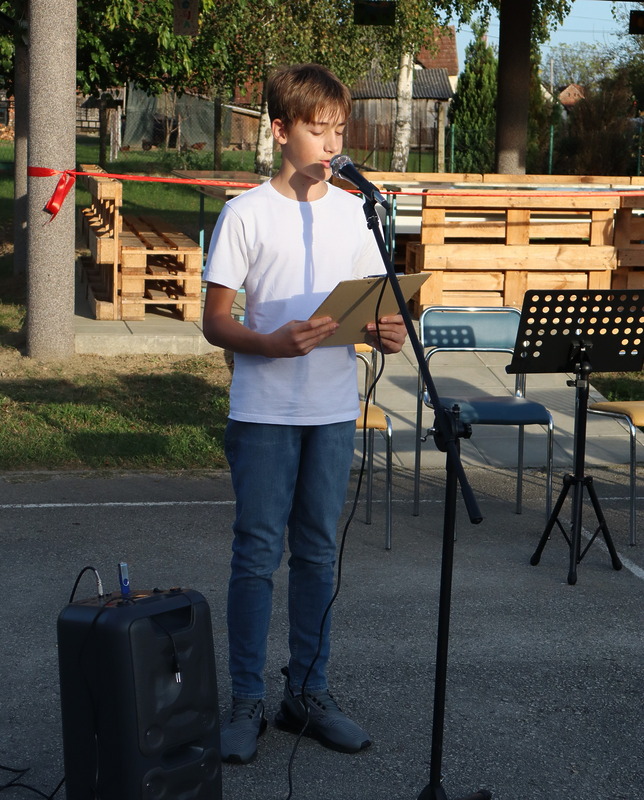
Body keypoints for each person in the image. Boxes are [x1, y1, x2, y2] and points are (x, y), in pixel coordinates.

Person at [202, 62, 407, 765]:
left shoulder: (355, 212)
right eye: (318, 130)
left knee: (319, 552)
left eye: (340, 130)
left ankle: (309, 692)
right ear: (281, 129)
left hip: (331, 409)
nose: (332, 143)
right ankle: (246, 701)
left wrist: (387, 331)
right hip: (264, 411)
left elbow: (375, 306)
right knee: (257, 555)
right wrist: (271, 343)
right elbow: (215, 321)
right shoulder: (246, 213)